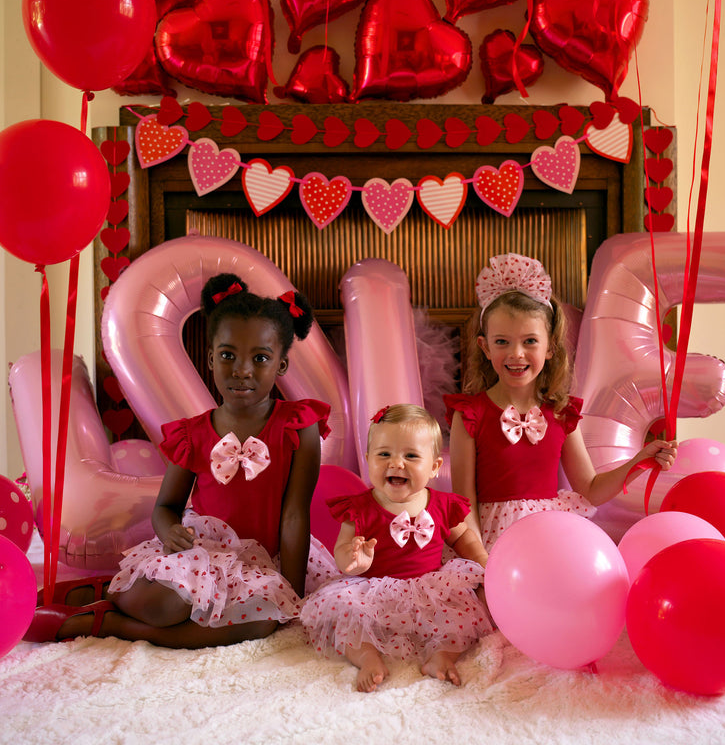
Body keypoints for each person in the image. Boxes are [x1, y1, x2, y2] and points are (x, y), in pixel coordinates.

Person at [25, 273, 337, 647]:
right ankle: (106, 593)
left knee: (261, 621)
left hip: (262, 561)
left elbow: (294, 514)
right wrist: (168, 530)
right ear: (210, 358)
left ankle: (109, 624)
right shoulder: (192, 433)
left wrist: (292, 591)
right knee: (163, 607)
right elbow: (166, 507)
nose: (242, 370)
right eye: (228, 355)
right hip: (202, 552)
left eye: (261, 358)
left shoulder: (298, 426)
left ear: (282, 365)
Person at [446, 252, 678, 551]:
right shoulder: (470, 415)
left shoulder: (561, 413)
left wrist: (639, 461)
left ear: (550, 348)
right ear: (485, 347)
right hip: (493, 545)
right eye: (502, 341)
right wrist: (482, 564)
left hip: (552, 538)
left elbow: (591, 489)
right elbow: (465, 505)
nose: (516, 353)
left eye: (530, 341)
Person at [301, 404, 492, 693]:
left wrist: (483, 563)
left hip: (429, 590)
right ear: (367, 460)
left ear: (434, 467)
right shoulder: (360, 508)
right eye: (384, 454)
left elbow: (463, 537)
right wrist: (354, 558)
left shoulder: (442, 504)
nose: (396, 463)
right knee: (347, 619)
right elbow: (341, 552)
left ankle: (441, 655)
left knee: (462, 616)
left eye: (411, 456)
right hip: (373, 591)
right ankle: (368, 657)